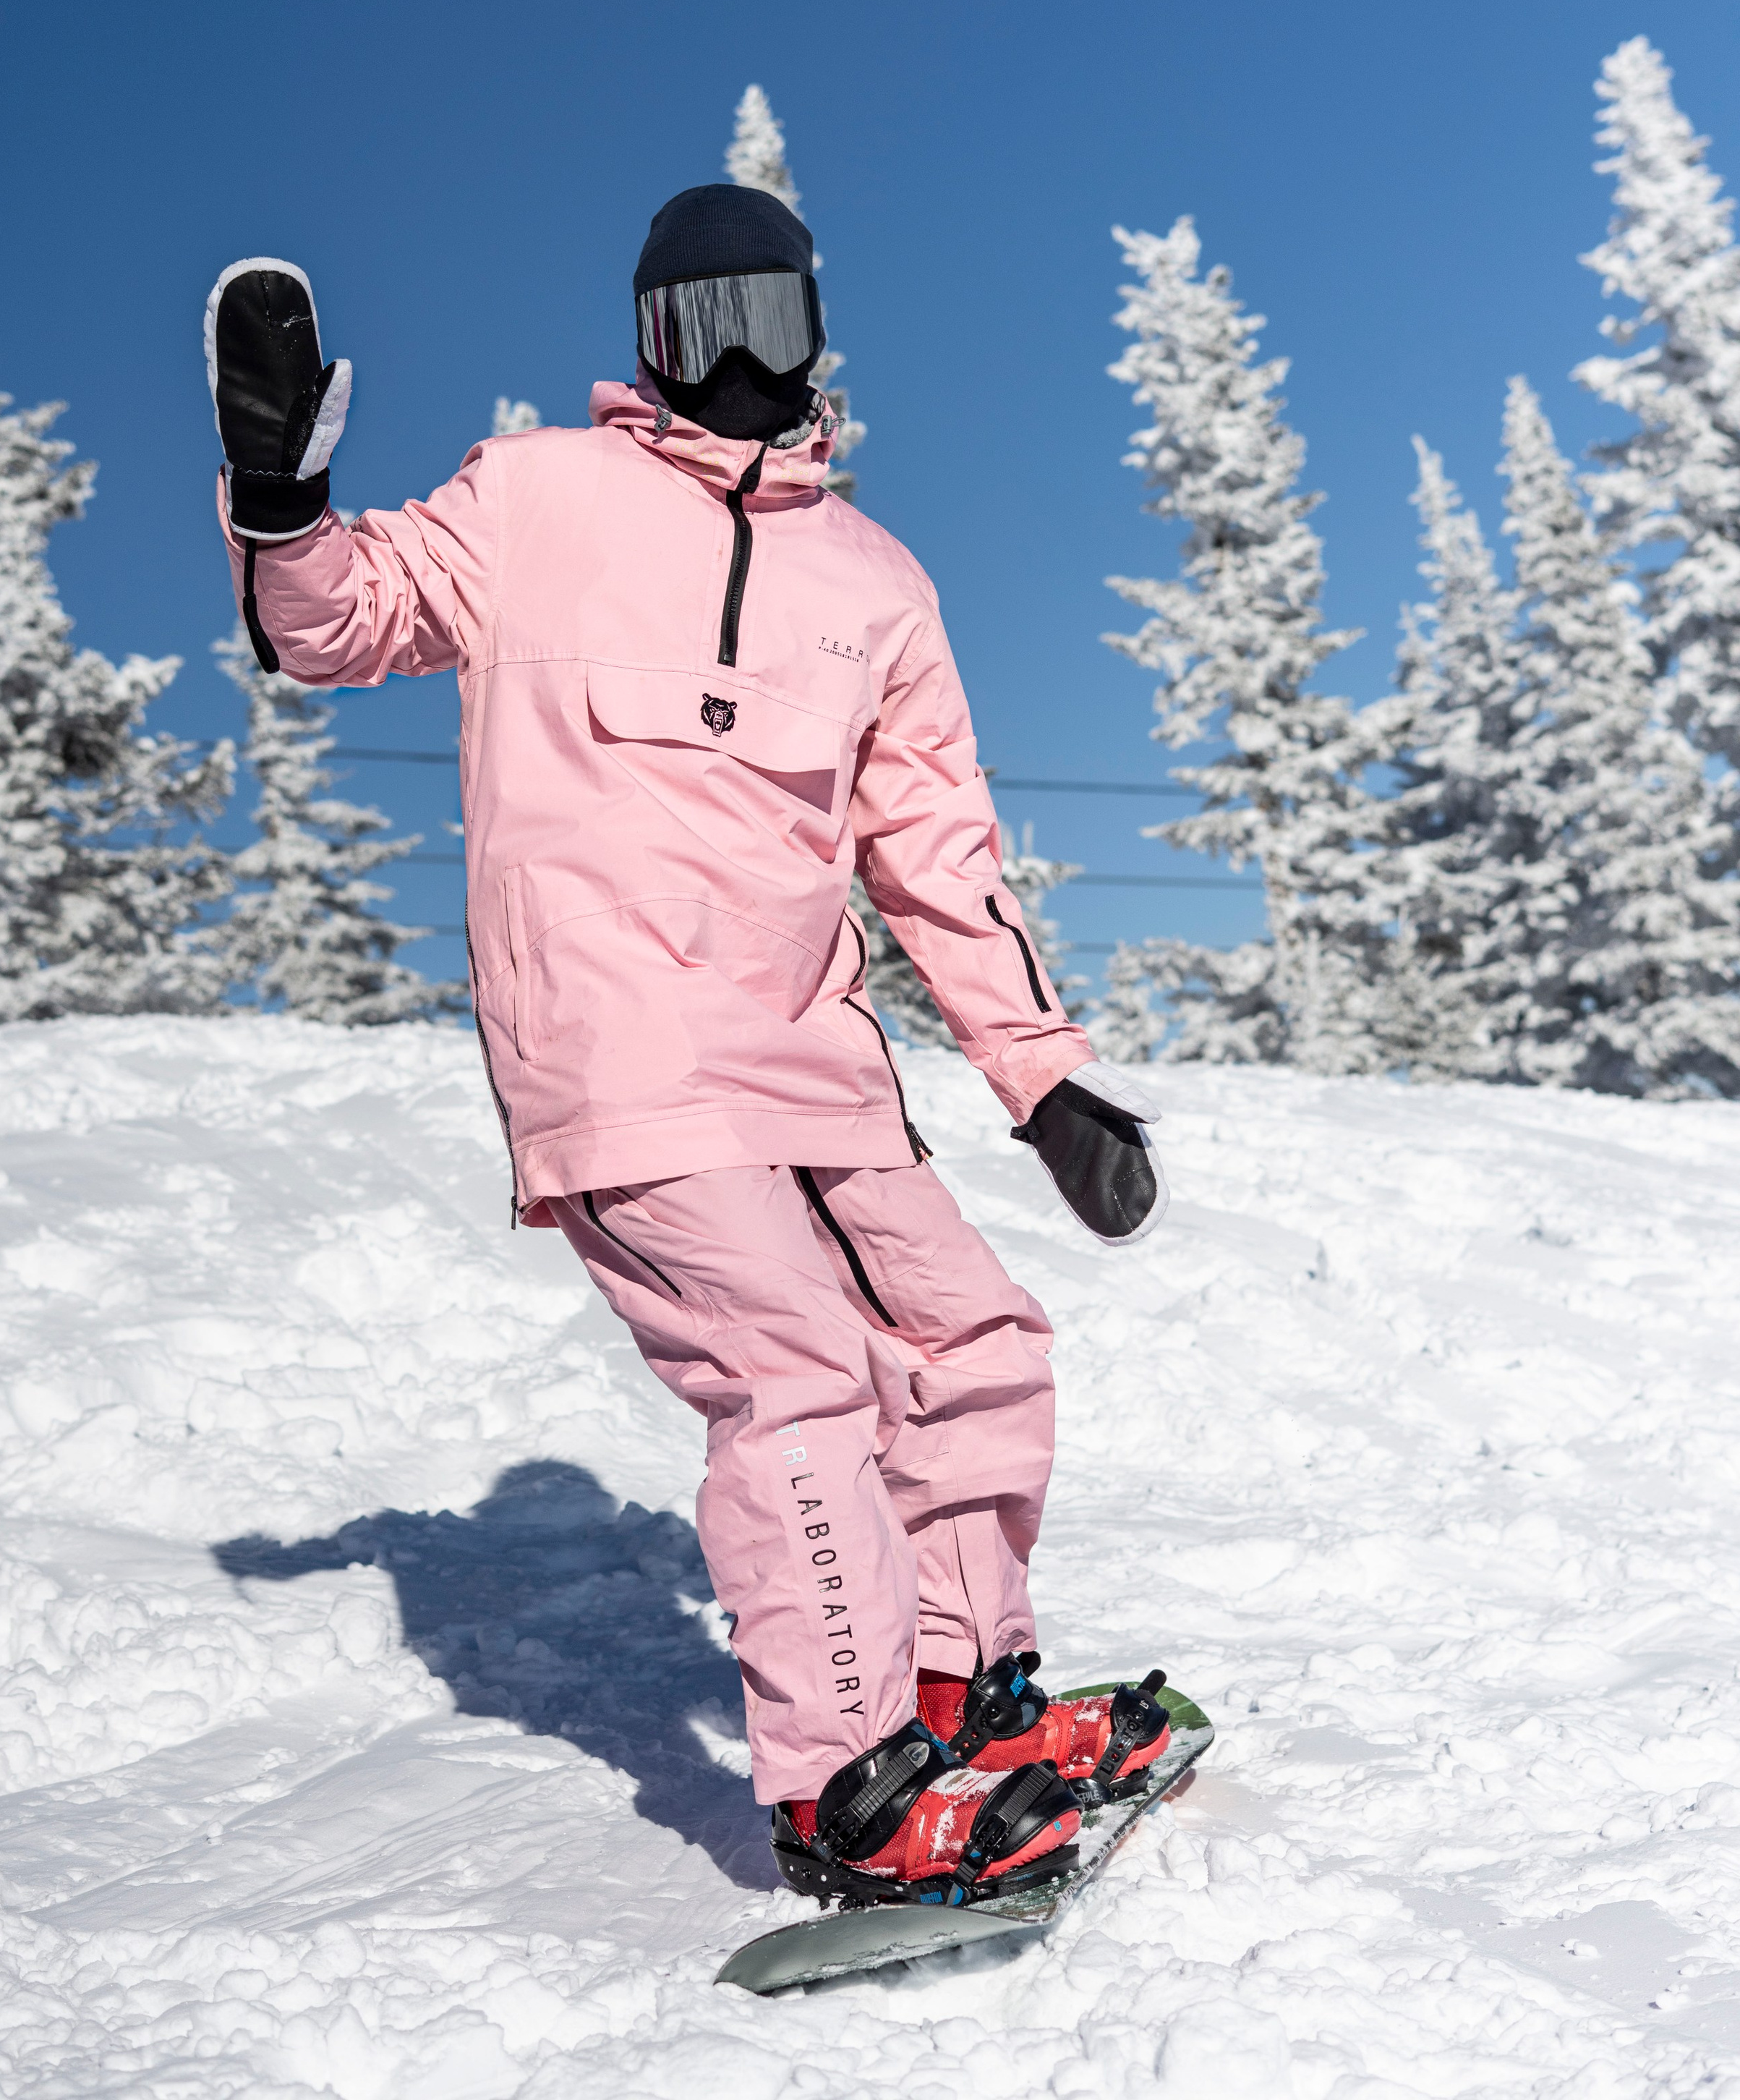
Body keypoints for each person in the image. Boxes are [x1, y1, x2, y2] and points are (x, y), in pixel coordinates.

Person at [203, 181, 1174, 1908]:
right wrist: (283, 498)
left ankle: (958, 1701)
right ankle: (846, 1790)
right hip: (620, 1048)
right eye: (694, 328)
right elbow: (332, 626)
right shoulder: (534, 499)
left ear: (812, 333)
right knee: (796, 1376)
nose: (734, 362)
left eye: (765, 322)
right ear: (645, 345)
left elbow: (937, 856)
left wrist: (1040, 1074)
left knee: (974, 1349)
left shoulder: (873, 581)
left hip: (815, 1064)